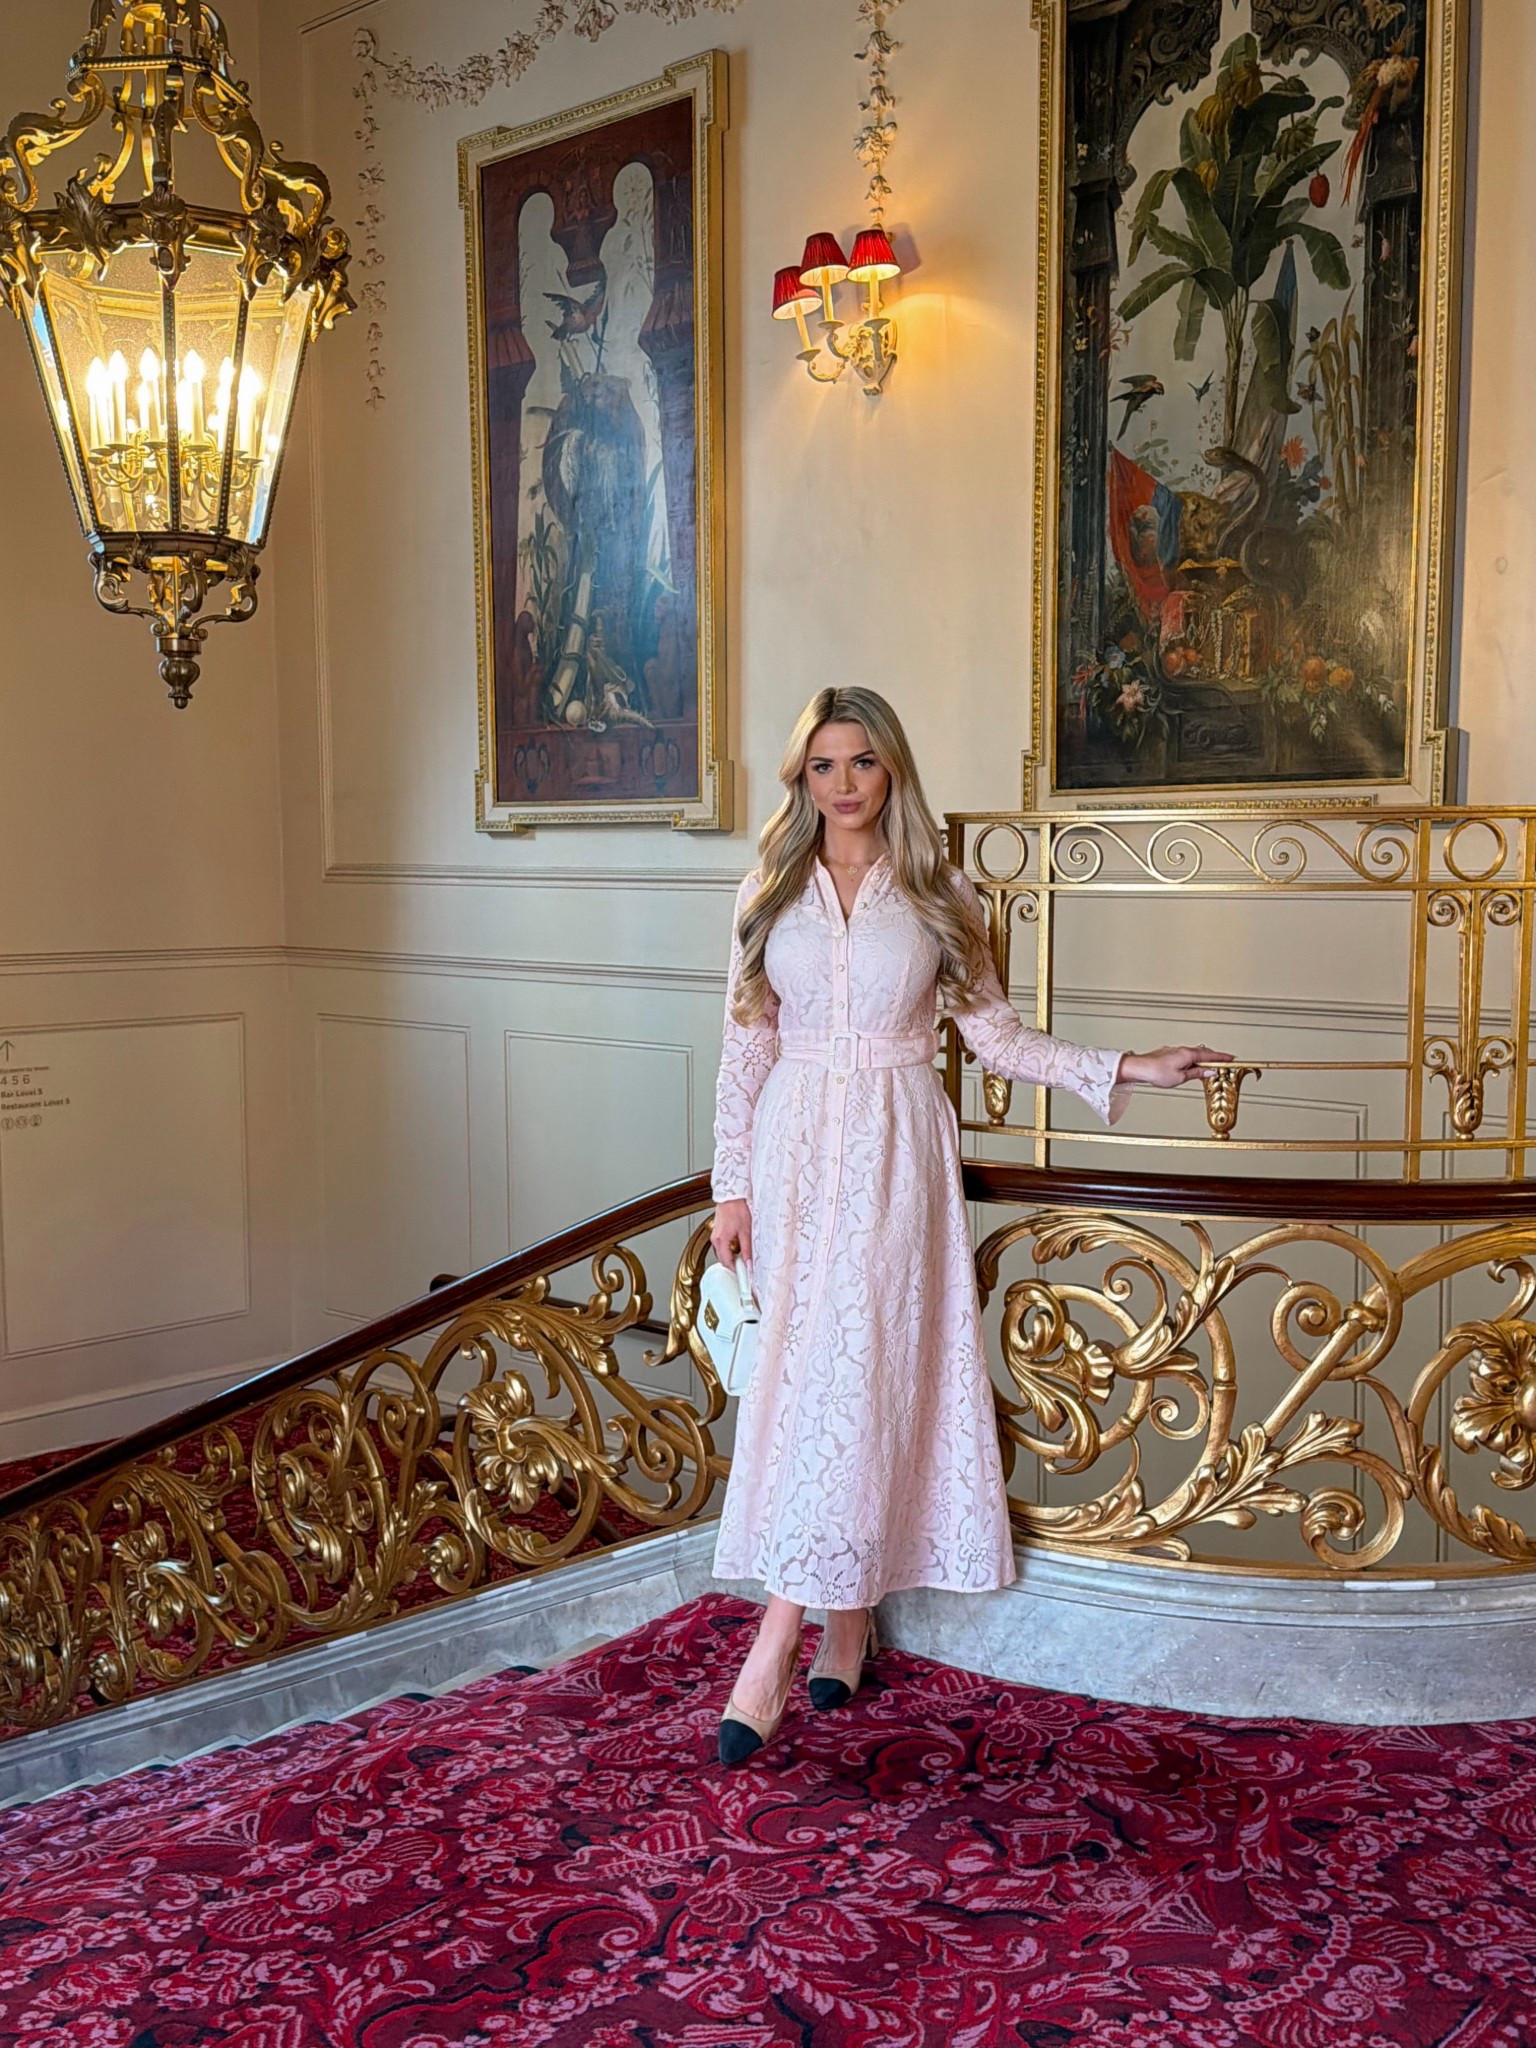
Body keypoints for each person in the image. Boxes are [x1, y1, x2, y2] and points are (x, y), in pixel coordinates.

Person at [707, 686, 1231, 1766]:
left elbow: (997, 1037)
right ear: (801, 778)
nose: (843, 783)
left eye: (861, 761)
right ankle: (845, 1621)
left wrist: (1128, 1066)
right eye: (822, 765)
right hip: (793, 1154)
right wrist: (732, 1187)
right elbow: (745, 1045)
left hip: (897, 1152)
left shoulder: (940, 890)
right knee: (810, 1383)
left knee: (866, 1376)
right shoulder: (768, 888)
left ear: (892, 768)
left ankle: (777, 1639)